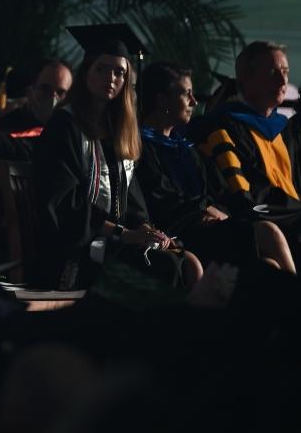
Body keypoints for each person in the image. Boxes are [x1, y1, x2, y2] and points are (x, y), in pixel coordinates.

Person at [35, 24, 202, 289]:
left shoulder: (119, 132)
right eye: (102, 68)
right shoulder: (65, 126)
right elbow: (63, 204)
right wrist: (122, 233)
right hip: (75, 252)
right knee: (167, 268)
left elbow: (132, 200)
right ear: (86, 71)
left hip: (113, 244)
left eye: (119, 72)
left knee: (189, 261)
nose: (110, 77)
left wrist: (146, 229)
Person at [138, 62, 294, 272]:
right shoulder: (141, 147)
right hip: (179, 232)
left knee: (269, 266)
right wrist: (203, 210)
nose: (194, 101)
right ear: (161, 99)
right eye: (187, 94)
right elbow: (161, 197)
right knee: (267, 232)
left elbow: (219, 191)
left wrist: (216, 211)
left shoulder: (186, 148)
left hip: (210, 226)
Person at [195, 41, 301, 250]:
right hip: (259, 215)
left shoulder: (284, 130)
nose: (283, 80)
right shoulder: (224, 126)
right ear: (245, 78)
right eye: (272, 72)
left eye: (286, 71)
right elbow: (246, 192)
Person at [0, 58, 73, 138]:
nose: (53, 98)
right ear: (30, 92)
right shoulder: (6, 131)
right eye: (45, 89)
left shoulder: (71, 135)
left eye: (61, 93)